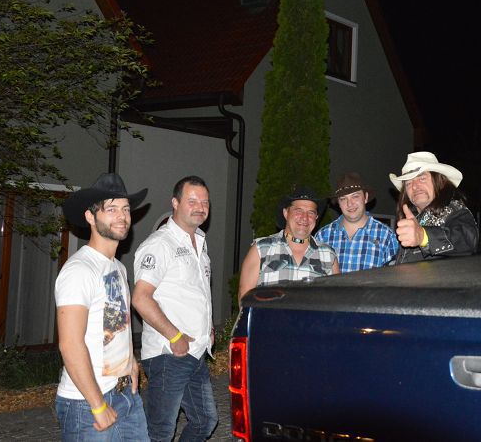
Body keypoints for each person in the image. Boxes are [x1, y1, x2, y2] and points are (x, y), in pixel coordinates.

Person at [55, 172, 149, 441]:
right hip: (87, 403)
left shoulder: (118, 267)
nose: (122, 216)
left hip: (126, 394)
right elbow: (70, 345)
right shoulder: (79, 270)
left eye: (126, 209)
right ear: (90, 216)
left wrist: (130, 362)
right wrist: (97, 405)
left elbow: (117, 323)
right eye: (111, 209)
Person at [132, 175, 218, 441]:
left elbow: (193, 294)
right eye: (192, 201)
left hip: (196, 351)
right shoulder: (160, 244)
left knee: (205, 421)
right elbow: (141, 298)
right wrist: (175, 336)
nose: (200, 207)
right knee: (160, 431)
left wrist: (207, 328)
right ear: (175, 203)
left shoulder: (200, 244)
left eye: (205, 202)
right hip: (170, 354)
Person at [238, 186, 339, 299]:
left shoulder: (328, 255)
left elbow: (335, 301)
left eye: (311, 212)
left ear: (316, 217)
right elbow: (244, 299)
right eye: (299, 211)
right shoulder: (261, 249)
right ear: (286, 213)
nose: (304, 217)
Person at [389, 152, 479, 263]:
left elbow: (468, 240)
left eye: (422, 178)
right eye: (408, 183)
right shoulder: (410, 219)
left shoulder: (454, 209)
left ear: (440, 181)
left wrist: (423, 236)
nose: (415, 186)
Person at [315, 172, 398, 271]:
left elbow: (395, 276)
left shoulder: (386, 236)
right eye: (343, 199)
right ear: (339, 203)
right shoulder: (323, 236)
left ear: (365, 197)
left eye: (355, 196)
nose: (349, 204)